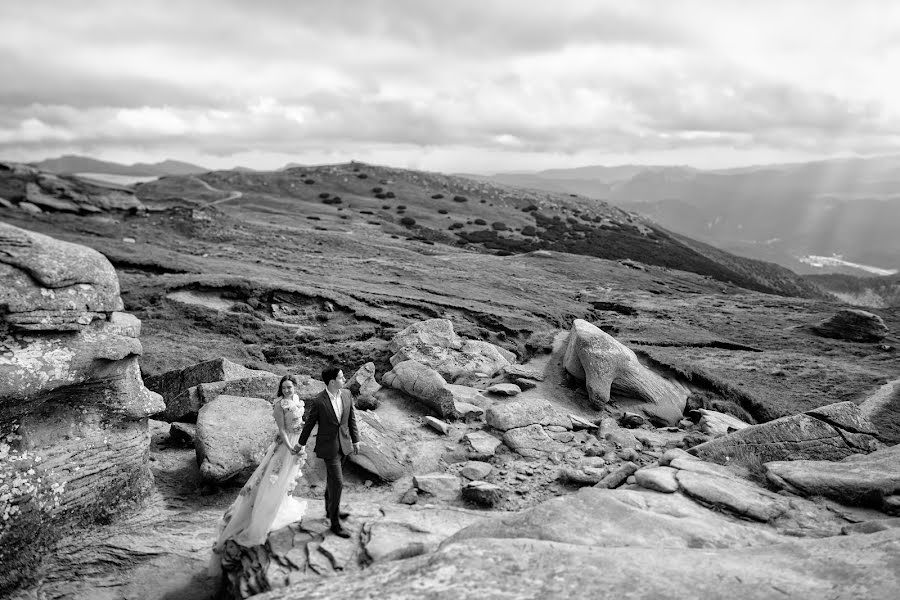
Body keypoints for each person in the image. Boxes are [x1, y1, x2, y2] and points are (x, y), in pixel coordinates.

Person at [209, 375, 308, 574]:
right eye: (285, 387)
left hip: (298, 441)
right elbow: (281, 429)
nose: (288, 390)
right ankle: (261, 513)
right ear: (281, 389)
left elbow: (300, 421)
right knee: (274, 477)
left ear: (295, 387)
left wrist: (301, 441)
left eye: (290, 386)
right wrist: (291, 448)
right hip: (286, 445)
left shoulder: (297, 400)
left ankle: (281, 505)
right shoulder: (279, 405)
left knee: (289, 477)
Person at [297, 366, 360, 538]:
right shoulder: (319, 401)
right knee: (338, 483)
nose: (344, 379)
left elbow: (351, 419)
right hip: (329, 448)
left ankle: (329, 510)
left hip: (345, 445)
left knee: (333, 481)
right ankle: (335, 523)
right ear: (332, 382)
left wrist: (356, 440)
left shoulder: (346, 395)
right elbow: (309, 424)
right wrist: (300, 444)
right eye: (341, 377)